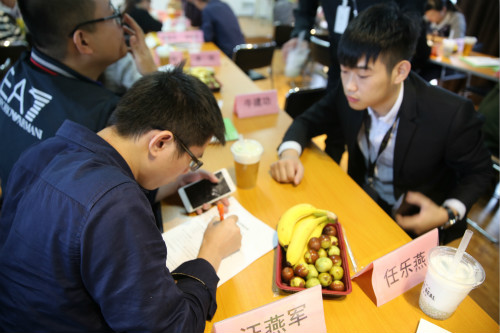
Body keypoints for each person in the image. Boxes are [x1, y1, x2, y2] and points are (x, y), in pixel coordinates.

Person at [0, 69, 242, 332]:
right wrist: (211, 252)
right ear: (161, 143)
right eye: (191, 159)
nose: (188, 170)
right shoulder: (118, 207)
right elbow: (171, 327)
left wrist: (161, 187)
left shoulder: (43, 151)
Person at [270, 2, 492, 244]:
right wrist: (289, 154)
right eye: (344, 71)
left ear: (400, 72)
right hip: (360, 205)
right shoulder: (348, 94)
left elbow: (479, 171)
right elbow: (306, 121)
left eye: (363, 75)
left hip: (415, 228)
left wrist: (447, 212)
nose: (350, 85)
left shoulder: (450, 113)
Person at [0, 0, 157, 195]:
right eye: (113, 14)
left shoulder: (15, 71)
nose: (122, 22)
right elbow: (147, 184)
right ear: (83, 41)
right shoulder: (101, 116)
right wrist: (153, 77)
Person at [282, 0, 428, 90]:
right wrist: (300, 34)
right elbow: (305, 8)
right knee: (336, 124)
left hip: (379, 69)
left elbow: (412, 17)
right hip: (339, 64)